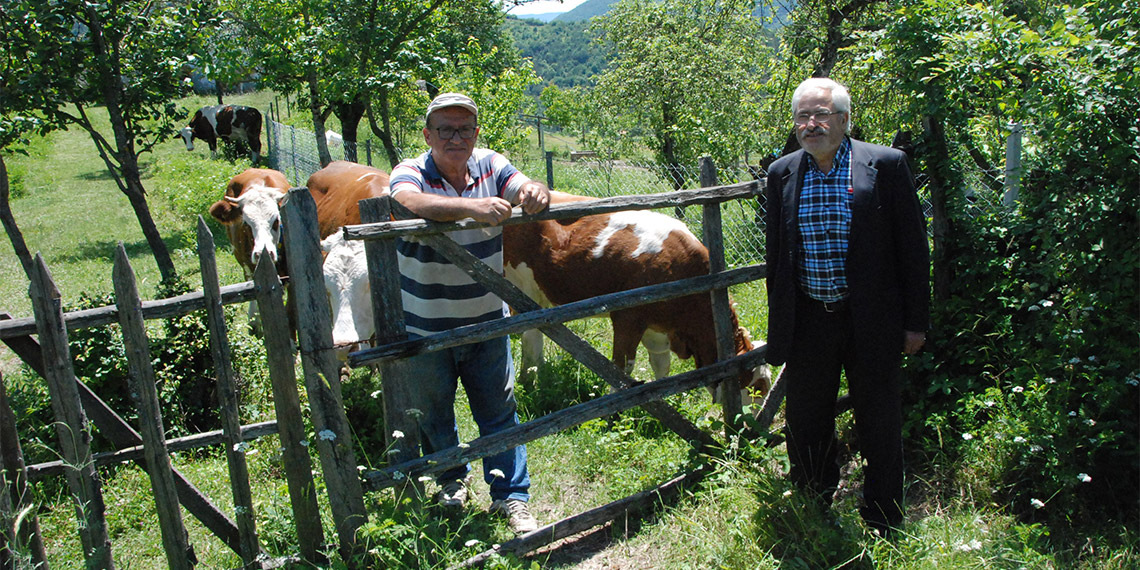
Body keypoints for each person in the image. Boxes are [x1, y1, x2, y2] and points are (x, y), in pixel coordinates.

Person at [764, 77, 930, 537]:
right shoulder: (782, 173)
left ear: (844, 119)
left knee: (879, 419)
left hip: (871, 321)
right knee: (806, 420)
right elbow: (777, 257)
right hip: (810, 320)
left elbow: (913, 249)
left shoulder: (887, 165)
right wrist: (782, 323)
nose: (810, 124)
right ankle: (814, 507)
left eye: (820, 114)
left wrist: (916, 322)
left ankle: (883, 518)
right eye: (802, 116)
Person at [388, 92, 550, 535]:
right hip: (426, 324)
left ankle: (511, 499)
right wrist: (471, 207)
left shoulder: (492, 164)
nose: (455, 137)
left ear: (476, 134)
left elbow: (521, 185)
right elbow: (409, 202)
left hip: (485, 319)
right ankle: (451, 484)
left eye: (464, 129)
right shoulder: (411, 170)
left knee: (499, 410)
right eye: (445, 129)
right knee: (435, 412)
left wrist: (533, 191)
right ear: (428, 135)